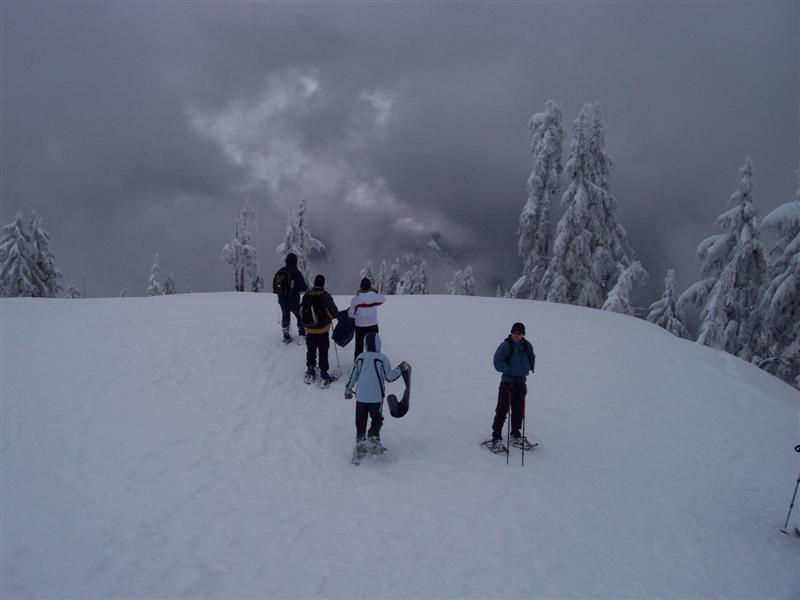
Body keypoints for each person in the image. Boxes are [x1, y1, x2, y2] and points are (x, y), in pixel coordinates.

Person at [344, 332, 406, 452]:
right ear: (379, 344)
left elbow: (353, 375)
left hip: (361, 397)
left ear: (365, 345)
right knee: (377, 418)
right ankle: (373, 438)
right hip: (376, 398)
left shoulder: (360, 357)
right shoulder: (382, 359)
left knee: (360, 419)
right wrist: (400, 369)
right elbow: (389, 377)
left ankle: (360, 441)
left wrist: (348, 389)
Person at [488, 322, 536, 452]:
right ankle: (496, 437)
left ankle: (515, 434)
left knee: (518, 411)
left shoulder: (527, 345)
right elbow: (497, 361)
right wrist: (508, 370)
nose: (516, 335)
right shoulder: (506, 345)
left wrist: (527, 369)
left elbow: (532, 358)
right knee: (502, 410)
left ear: (523, 334)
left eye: (519, 333)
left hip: (521, 382)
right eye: (514, 332)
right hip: (507, 383)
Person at [301, 274, 339, 383]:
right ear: (323, 284)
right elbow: (334, 313)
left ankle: (311, 368)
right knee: (323, 351)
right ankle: (323, 372)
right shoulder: (325, 296)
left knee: (311, 350)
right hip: (322, 330)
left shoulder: (307, 294)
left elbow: (302, 310)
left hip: (309, 329)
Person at [347, 277, 385, 361]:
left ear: (361, 286)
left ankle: (358, 365)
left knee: (359, 347)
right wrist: (374, 291)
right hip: (373, 325)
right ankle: (375, 364)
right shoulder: (375, 296)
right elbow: (383, 299)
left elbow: (350, 315)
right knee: (373, 346)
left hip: (360, 326)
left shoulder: (356, 299)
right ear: (370, 286)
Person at [273, 253, 308, 343]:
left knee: (285, 316)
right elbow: (303, 287)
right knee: (300, 316)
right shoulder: (296, 272)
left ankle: (286, 335)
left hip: (282, 300)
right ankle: (302, 334)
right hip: (293, 301)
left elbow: (275, 288)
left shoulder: (280, 271)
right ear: (295, 261)